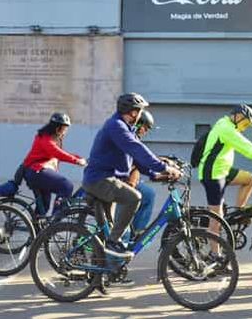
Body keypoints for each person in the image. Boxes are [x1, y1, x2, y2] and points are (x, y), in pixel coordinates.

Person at [82, 93, 181, 260]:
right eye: (139, 111)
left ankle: (101, 273)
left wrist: (157, 174)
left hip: (107, 180)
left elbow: (136, 158)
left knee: (107, 229)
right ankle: (114, 242)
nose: (140, 115)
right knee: (134, 197)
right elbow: (136, 149)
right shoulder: (116, 126)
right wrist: (164, 167)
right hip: (100, 179)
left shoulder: (125, 127)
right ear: (133, 112)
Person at [197, 104, 252, 247]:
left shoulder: (227, 125)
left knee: (250, 179)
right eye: (245, 123)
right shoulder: (226, 129)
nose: (244, 128)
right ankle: (216, 256)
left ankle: (239, 214)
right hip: (212, 175)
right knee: (216, 220)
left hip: (223, 171)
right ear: (237, 116)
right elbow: (249, 150)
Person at [22, 112, 87, 216]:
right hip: (36, 172)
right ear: (57, 128)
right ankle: (55, 222)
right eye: (64, 129)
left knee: (44, 206)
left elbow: (62, 153)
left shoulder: (52, 138)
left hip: (38, 172)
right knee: (66, 186)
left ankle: (37, 229)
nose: (65, 132)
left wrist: (80, 158)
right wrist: (76, 161)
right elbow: (57, 153)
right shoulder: (45, 139)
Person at [121, 109, 158, 240]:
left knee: (148, 194)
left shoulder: (135, 138)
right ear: (138, 124)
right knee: (130, 201)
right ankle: (121, 244)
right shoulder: (128, 137)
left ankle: (136, 231)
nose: (146, 131)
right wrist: (160, 169)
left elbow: (140, 160)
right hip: (115, 181)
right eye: (145, 128)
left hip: (126, 180)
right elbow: (139, 160)